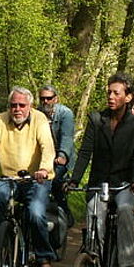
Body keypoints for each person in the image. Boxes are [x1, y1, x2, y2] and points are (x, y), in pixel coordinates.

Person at [68, 72, 134, 267]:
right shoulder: (96, 120)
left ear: (128, 97)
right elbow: (85, 152)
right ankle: (94, 261)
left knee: (124, 210)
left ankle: (123, 265)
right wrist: (74, 180)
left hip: (124, 185)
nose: (111, 96)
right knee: (94, 215)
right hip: (99, 183)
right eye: (109, 92)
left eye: (116, 93)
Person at [0, 87, 57, 267]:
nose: (17, 109)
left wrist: (45, 169)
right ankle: (0, 246)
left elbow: (47, 146)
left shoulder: (39, 119)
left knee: (36, 213)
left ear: (30, 106)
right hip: (8, 178)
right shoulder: (0, 120)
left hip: (36, 179)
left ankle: (43, 257)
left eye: (22, 105)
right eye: (14, 105)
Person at [38, 85, 75, 221]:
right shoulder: (36, 114)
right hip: (43, 158)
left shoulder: (66, 114)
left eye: (49, 98)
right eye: (43, 98)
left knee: (54, 181)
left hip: (60, 157)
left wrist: (62, 155)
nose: (45, 101)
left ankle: (64, 212)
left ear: (55, 99)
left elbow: (67, 136)